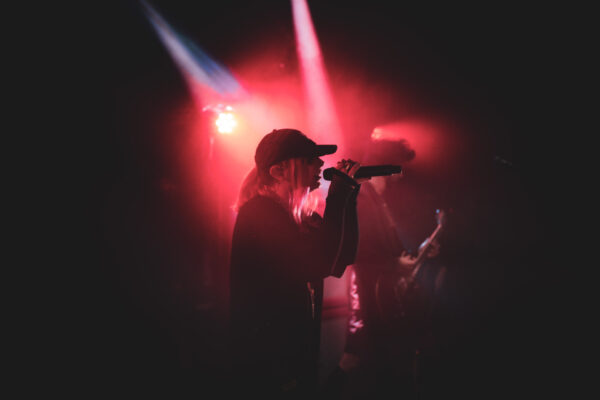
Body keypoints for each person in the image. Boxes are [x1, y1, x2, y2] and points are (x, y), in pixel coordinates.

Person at [228, 129, 364, 398]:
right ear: (278, 171)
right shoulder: (260, 213)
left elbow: (340, 258)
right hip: (271, 364)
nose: (320, 164)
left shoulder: (297, 218)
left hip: (293, 357)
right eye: (309, 160)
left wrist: (347, 197)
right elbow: (317, 263)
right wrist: (339, 193)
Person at [324, 138, 446, 399]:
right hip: (365, 292)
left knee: (377, 357)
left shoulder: (377, 200)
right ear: (388, 165)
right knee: (360, 358)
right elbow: (358, 249)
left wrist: (417, 253)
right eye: (399, 166)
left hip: (379, 293)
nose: (402, 174)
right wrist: (394, 264)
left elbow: (387, 250)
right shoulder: (363, 198)